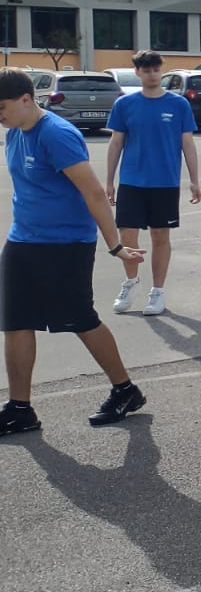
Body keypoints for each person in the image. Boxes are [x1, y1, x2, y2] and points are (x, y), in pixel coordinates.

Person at [0, 67, 148, 436]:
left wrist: (115, 246)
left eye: (0, 106)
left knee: (79, 319)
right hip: (23, 241)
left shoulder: (57, 135)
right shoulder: (15, 133)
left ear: (24, 99)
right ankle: (20, 409)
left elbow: (94, 193)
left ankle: (126, 390)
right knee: (15, 321)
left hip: (65, 245)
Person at [105, 50, 201, 317]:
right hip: (132, 182)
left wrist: (194, 180)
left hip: (165, 183)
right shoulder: (124, 105)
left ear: (162, 71)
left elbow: (188, 144)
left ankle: (157, 291)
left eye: (156, 70)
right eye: (146, 70)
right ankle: (131, 282)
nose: (152, 74)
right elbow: (115, 144)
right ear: (138, 72)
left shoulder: (178, 104)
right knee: (127, 236)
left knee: (160, 236)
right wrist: (110, 181)